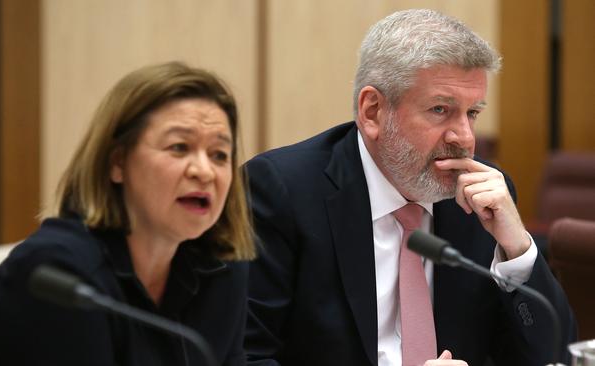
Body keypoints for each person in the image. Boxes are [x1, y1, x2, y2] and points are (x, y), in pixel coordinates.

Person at [244, 9, 576, 366]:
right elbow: (245, 356)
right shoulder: (283, 192)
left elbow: (553, 356)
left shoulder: (479, 199)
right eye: (440, 109)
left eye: (473, 113)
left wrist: (517, 250)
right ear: (372, 112)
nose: (464, 137)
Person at [0, 62, 255, 365]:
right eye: (178, 147)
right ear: (117, 163)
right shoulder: (64, 275)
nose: (204, 171)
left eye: (219, 154)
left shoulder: (221, 266)